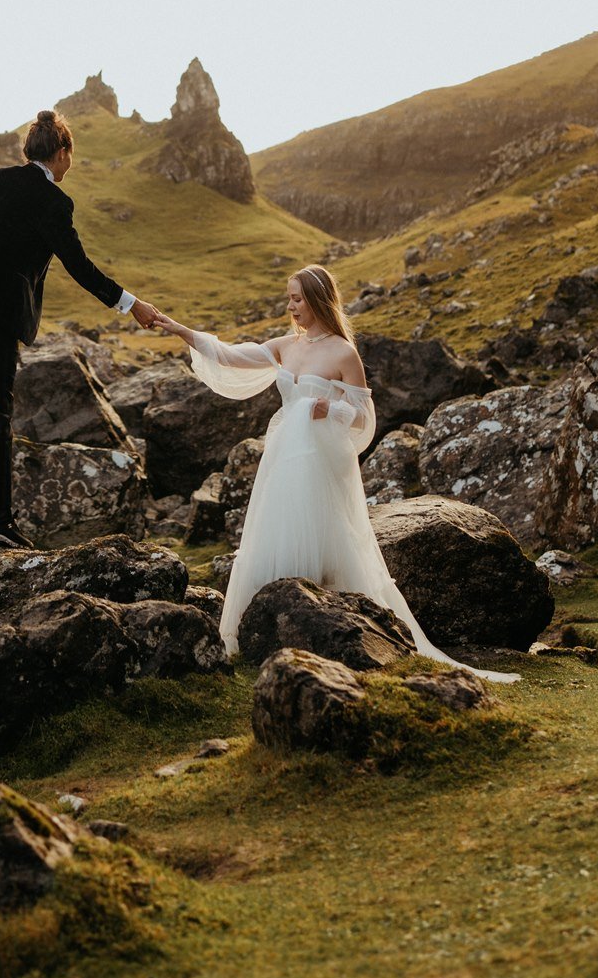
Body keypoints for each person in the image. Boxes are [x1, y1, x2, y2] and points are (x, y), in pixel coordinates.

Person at [153, 265, 517, 682]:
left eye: (297, 299)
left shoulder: (344, 353)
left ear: (318, 300)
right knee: (276, 532)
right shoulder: (287, 345)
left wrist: (332, 409)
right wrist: (178, 328)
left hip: (321, 463)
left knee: (325, 539)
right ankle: (261, 635)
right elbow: (232, 355)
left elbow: (365, 419)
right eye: (289, 298)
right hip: (284, 459)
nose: (290, 306)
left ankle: (331, 632)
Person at [0, 107, 159, 547]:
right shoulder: (53, 201)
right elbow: (79, 266)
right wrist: (131, 305)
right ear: (63, 153)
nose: (71, 163)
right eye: (71, 155)